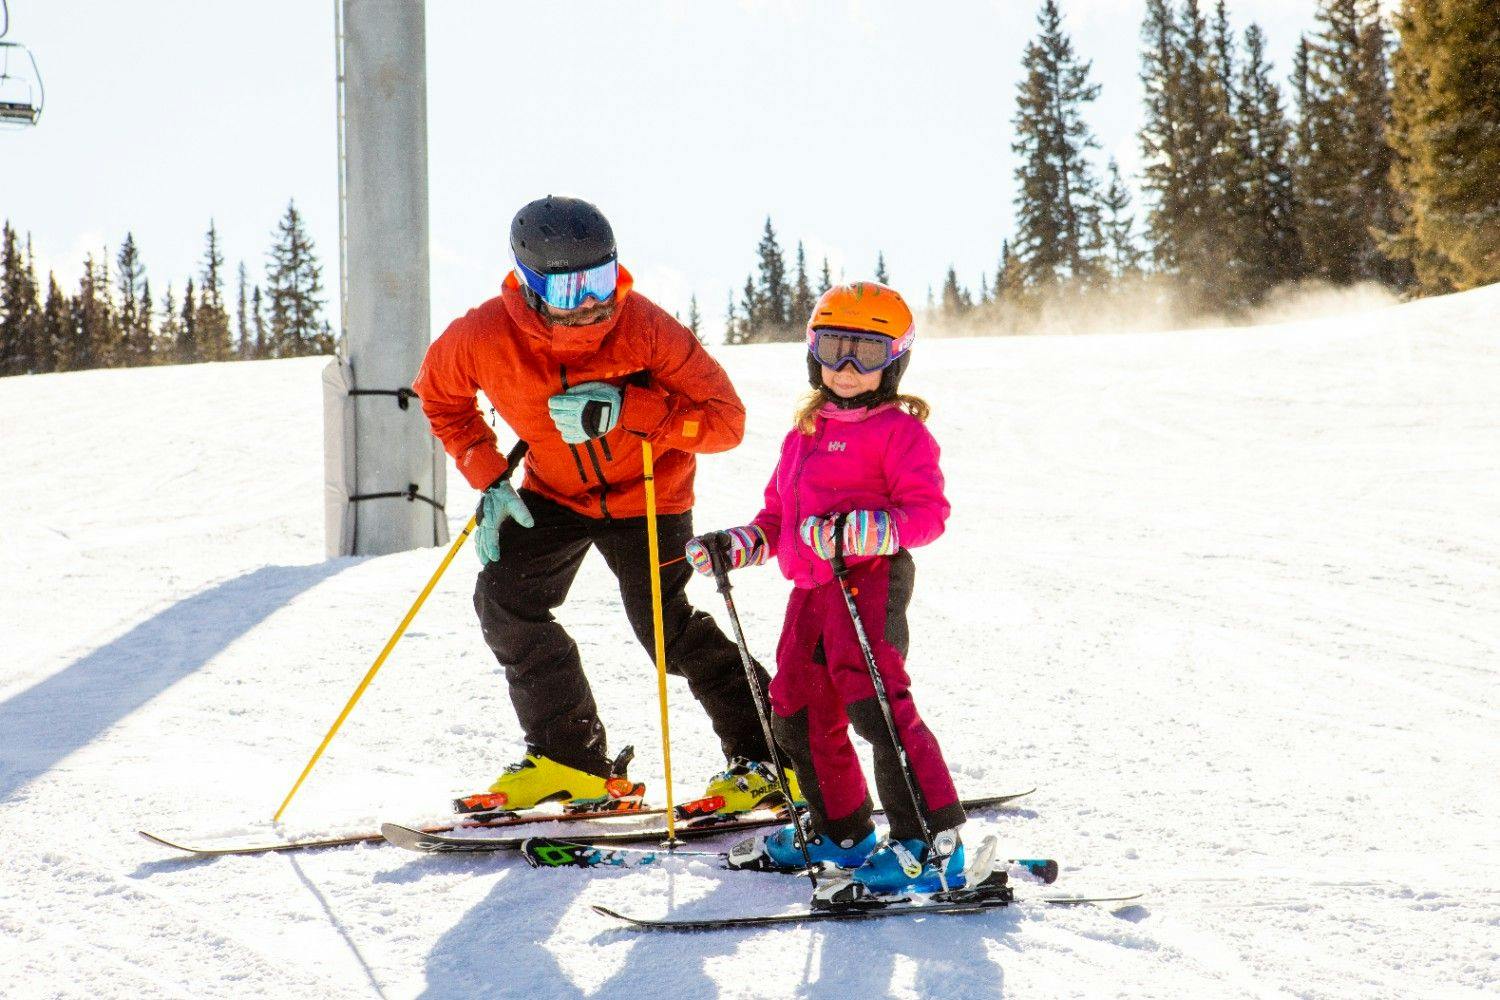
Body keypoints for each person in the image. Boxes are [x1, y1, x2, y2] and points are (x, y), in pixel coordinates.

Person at [413, 195, 799, 813]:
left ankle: (777, 758)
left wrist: (631, 410)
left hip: (651, 495)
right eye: (570, 291)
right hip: (554, 494)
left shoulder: (644, 325)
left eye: (602, 280)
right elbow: (440, 399)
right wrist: (490, 478)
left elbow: (726, 423)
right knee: (506, 600)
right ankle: (572, 760)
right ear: (527, 283)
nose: (592, 301)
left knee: (668, 630)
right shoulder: (481, 336)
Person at [684, 281, 965, 895]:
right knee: (796, 710)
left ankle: (932, 844)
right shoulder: (803, 435)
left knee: (876, 706)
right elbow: (778, 522)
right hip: (812, 592)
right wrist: (737, 545)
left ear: (894, 359)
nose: (845, 367)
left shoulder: (901, 432)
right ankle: (843, 832)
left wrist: (871, 530)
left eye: (865, 353)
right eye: (833, 346)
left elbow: (929, 513)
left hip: (870, 580)